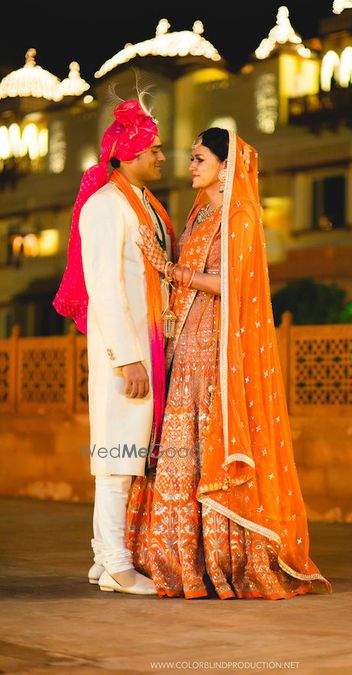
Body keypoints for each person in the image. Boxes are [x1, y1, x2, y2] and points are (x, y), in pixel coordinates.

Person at [127, 128, 331, 599]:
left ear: (225, 164)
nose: (191, 167)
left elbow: (231, 285)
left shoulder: (239, 216)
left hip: (216, 349)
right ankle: (180, 560)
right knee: (181, 449)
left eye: (199, 159)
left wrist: (168, 268)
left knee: (206, 449)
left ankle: (224, 559)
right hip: (186, 344)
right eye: (191, 159)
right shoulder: (200, 214)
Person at [53, 98, 175, 595]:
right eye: (155, 149)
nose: (162, 158)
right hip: (124, 353)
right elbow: (103, 286)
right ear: (128, 153)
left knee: (133, 456)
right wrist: (127, 358)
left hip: (149, 346)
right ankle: (115, 561)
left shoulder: (142, 203)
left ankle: (107, 560)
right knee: (116, 456)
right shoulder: (106, 205)